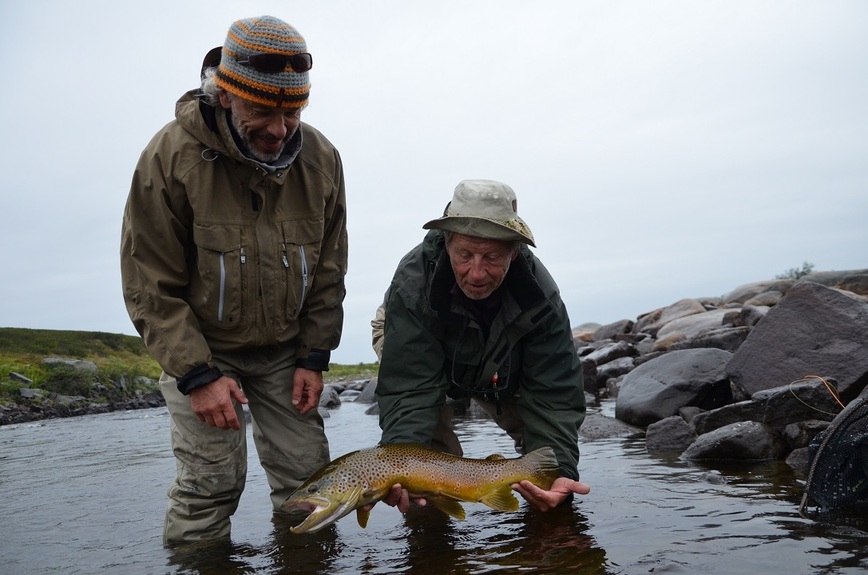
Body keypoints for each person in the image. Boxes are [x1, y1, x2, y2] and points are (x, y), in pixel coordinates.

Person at [120, 15, 348, 545]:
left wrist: (314, 356)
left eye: (292, 112)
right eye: (262, 110)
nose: (278, 128)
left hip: (285, 355)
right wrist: (197, 376)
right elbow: (149, 283)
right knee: (211, 487)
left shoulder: (322, 160)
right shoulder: (168, 158)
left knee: (313, 485)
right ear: (225, 94)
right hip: (204, 351)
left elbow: (330, 270)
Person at [371, 179, 589, 515]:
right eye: (464, 254)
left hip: (497, 355)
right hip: (413, 344)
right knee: (421, 485)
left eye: (491, 257)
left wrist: (559, 470)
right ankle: (432, 545)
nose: (476, 272)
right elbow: (409, 387)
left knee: (547, 473)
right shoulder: (413, 285)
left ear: (514, 253)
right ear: (447, 244)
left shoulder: (539, 298)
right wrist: (401, 461)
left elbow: (553, 394)